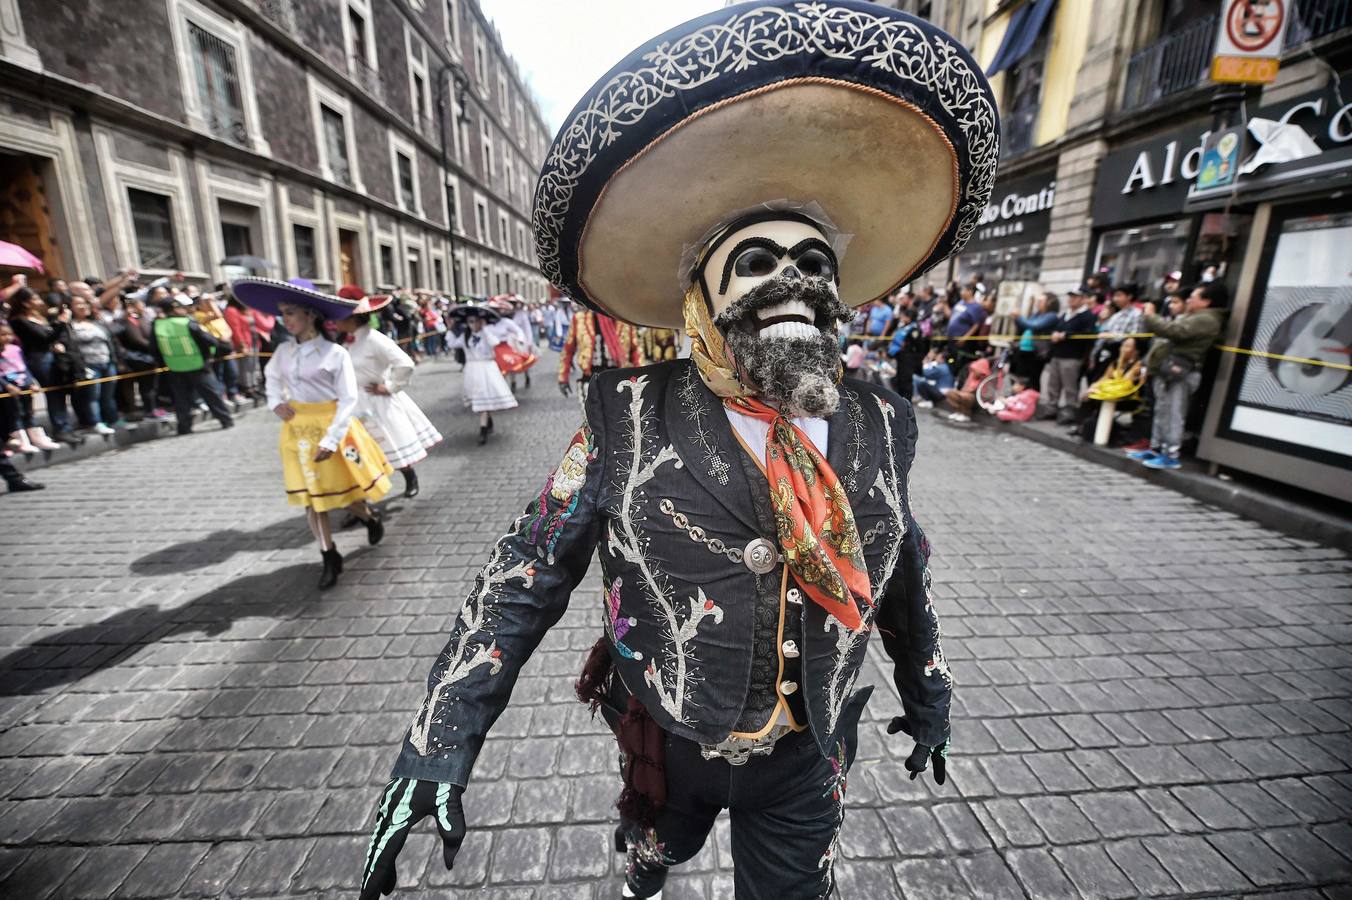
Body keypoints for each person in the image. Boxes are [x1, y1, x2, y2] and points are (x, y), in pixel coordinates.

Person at [359, 4, 992, 896]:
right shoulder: (625, 416)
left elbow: (902, 565)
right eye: (758, 262)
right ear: (703, 301)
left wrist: (929, 695)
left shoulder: (882, 421)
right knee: (660, 845)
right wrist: (438, 741)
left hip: (810, 760)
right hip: (668, 741)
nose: (795, 280)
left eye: (816, 264)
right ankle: (649, 851)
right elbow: (526, 570)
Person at [232, 276, 392, 588]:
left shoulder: (335, 353)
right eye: (282, 313)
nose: (285, 319)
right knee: (311, 498)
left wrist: (332, 438)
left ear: (311, 314)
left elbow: (348, 399)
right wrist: (276, 403)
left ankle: (369, 517)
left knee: (342, 494)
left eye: (291, 312)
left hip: (332, 426)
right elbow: (271, 379)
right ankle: (329, 554)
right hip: (297, 431)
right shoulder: (283, 351)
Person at [333, 290, 441, 498]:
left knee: (390, 441)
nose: (335, 321)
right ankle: (366, 492)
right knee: (359, 449)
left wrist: (391, 386)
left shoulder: (374, 339)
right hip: (353, 403)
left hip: (377, 401)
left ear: (352, 318)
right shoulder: (344, 342)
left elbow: (405, 363)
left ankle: (409, 475)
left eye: (339, 316)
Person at [1131, 282, 1229, 470]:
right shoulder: (1196, 317)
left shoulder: (1206, 319)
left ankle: (1171, 454)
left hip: (1180, 373)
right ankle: (1157, 449)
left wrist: (1151, 316)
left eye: (1193, 297)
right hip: (1168, 371)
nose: (1189, 300)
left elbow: (1173, 331)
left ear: (1207, 301)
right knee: (1162, 410)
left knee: (1173, 414)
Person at [148, 294, 234, 435]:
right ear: (175, 309)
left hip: (174, 366)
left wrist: (164, 363)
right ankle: (226, 420)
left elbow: (154, 348)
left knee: (181, 399)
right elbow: (209, 340)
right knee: (212, 395)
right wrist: (209, 354)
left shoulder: (157, 326)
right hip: (198, 364)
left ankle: (184, 427)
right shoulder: (187, 323)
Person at [8, 288, 80, 445]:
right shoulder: (19, 320)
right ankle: (61, 428)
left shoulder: (39, 317)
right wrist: (61, 322)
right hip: (38, 359)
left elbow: (50, 336)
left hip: (51, 356)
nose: (39, 302)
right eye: (35, 299)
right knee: (54, 392)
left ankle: (65, 426)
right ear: (25, 303)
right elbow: (43, 338)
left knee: (60, 391)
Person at [446, 304, 519, 444]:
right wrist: (450, 329)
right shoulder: (465, 336)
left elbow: (494, 342)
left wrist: (485, 329)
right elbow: (452, 344)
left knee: (483, 397)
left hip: (487, 368)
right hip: (472, 370)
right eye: (470, 322)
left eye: (475, 321)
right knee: (480, 399)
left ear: (481, 321)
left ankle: (483, 430)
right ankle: (487, 420)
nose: (473, 324)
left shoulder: (487, 334)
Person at [557, 305, 641, 400]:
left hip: (620, 381)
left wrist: (639, 378)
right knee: (590, 409)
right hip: (591, 380)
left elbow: (636, 350)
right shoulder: (580, 319)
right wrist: (563, 378)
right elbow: (568, 350)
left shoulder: (625, 320)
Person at [1041, 286, 1098, 424]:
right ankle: (1051, 408)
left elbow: (1088, 335)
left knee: (1070, 386)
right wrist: (1054, 334)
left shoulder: (1087, 316)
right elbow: (1056, 328)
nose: (1071, 300)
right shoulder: (1065, 314)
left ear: (1083, 299)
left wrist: (1066, 335)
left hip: (1073, 356)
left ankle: (1069, 411)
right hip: (1057, 354)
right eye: (1070, 297)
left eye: (1075, 297)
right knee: (1053, 384)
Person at [1073, 337, 1145, 443]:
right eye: (1122, 345)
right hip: (1110, 393)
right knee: (1088, 398)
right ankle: (1081, 426)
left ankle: (1101, 430)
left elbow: (1125, 384)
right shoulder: (1115, 363)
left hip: (1128, 397)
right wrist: (1093, 387)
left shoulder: (1138, 366)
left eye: (1127, 346)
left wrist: (1102, 390)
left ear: (1136, 351)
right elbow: (1105, 378)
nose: (1122, 349)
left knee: (1098, 400)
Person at [67, 293, 119, 435]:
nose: (83, 306)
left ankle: (112, 419)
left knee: (108, 395)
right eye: (78, 304)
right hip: (88, 364)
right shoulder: (70, 325)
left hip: (107, 362)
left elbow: (111, 339)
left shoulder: (97, 323)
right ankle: (95, 422)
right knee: (92, 395)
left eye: (84, 303)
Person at [0, 321, 55, 452]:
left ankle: (36, 437)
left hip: (23, 382)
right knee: (16, 413)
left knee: (29, 411)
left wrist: (31, 382)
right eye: (3, 335)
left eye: (9, 334)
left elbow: (25, 367)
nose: (7, 337)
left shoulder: (16, 349)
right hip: (9, 386)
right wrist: (7, 385)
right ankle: (21, 440)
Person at [1089, 282, 1144, 384]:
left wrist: (1112, 336)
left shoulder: (1137, 314)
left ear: (1129, 296)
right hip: (1105, 353)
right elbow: (1105, 333)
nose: (1115, 299)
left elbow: (1134, 338)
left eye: (1119, 295)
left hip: (1121, 356)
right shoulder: (1116, 316)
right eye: (1114, 296)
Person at [1012, 291, 1058, 387]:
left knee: (1032, 379)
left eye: (1041, 301)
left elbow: (1034, 326)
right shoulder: (1036, 315)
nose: (1038, 302)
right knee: (1019, 378)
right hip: (1024, 349)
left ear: (1049, 303)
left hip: (1036, 353)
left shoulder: (1051, 316)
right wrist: (1017, 319)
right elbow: (1024, 326)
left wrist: (1020, 317)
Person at [887, 305, 926, 399]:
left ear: (909, 317)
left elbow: (918, 345)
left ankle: (907, 400)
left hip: (909, 358)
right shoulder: (904, 327)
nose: (902, 318)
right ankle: (900, 399)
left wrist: (906, 346)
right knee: (900, 379)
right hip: (901, 357)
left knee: (906, 381)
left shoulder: (914, 329)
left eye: (904, 316)